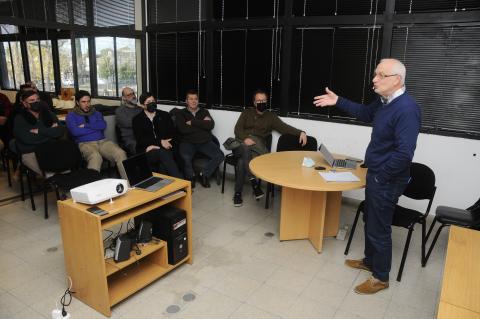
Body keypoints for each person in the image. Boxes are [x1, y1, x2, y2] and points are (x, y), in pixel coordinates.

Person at [313, 58, 421, 294]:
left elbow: (405, 153)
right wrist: (337, 100)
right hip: (378, 175)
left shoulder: (406, 109)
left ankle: (381, 277)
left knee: (379, 227)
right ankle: (370, 261)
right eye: (375, 74)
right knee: (370, 220)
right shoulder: (384, 102)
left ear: (397, 80)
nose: (374, 79)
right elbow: (364, 113)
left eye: (381, 75)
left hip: (387, 179)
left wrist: (381, 177)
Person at [232, 89, 307, 207]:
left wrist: (300, 132)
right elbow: (237, 129)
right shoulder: (246, 113)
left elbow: (284, 127)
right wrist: (245, 138)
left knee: (242, 162)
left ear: (267, 101)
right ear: (254, 102)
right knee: (245, 148)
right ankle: (255, 184)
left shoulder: (271, 117)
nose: (261, 103)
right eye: (258, 101)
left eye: (263, 100)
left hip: (256, 149)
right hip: (240, 145)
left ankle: (237, 193)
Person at [66, 90, 127, 179]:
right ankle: (91, 188)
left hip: (102, 142)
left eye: (88, 101)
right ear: (77, 102)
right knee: (96, 157)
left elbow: (102, 125)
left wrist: (85, 126)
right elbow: (75, 132)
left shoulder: (96, 113)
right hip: (85, 144)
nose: (87, 104)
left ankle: (129, 184)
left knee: (120, 153)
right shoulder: (71, 115)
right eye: (83, 102)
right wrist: (95, 129)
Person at [174, 90, 224, 188]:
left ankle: (204, 175)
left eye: (196, 99)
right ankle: (191, 177)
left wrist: (193, 122)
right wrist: (202, 125)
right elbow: (183, 129)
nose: (193, 101)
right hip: (187, 142)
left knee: (220, 155)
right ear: (186, 101)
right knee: (185, 158)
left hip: (204, 142)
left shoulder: (204, 111)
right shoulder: (180, 113)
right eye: (191, 99)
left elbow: (210, 125)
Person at [13, 91, 65, 174]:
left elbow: (60, 131)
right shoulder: (19, 118)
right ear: (25, 104)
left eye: (37, 99)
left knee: (66, 169)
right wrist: (50, 132)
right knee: (50, 173)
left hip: (51, 148)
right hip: (31, 152)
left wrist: (39, 131)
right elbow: (27, 138)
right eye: (32, 100)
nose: (36, 102)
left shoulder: (49, 114)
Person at [132, 92, 182, 178]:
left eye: (153, 100)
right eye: (148, 102)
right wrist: (159, 142)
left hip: (165, 146)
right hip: (147, 149)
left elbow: (172, 133)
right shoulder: (137, 120)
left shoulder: (164, 115)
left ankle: (168, 186)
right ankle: (182, 182)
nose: (152, 103)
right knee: (163, 154)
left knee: (163, 163)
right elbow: (141, 139)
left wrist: (157, 144)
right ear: (143, 105)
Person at [115, 87, 142, 155]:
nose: (133, 96)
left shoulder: (140, 109)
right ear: (124, 98)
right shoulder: (120, 111)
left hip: (144, 136)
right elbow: (130, 123)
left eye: (133, 94)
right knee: (143, 149)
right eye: (129, 95)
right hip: (130, 139)